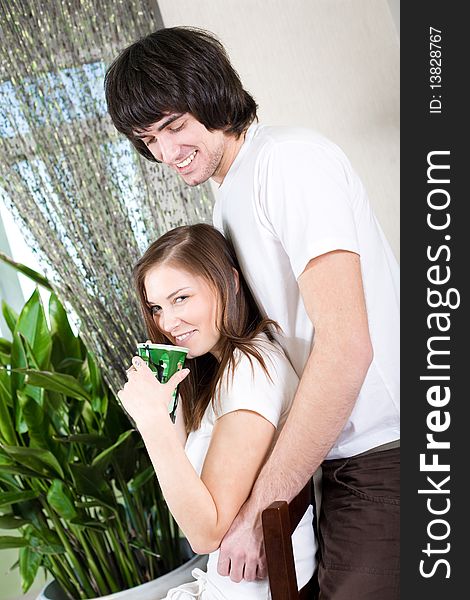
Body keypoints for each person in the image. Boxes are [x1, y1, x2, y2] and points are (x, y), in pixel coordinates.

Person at [106, 26, 400, 599]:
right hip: (332, 459)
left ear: (213, 95)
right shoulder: (228, 198)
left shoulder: (287, 162)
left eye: (174, 126)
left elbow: (346, 346)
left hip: (386, 453)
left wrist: (261, 509)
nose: (166, 153)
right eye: (149, 139)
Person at [118, 224, 316, 599]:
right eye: (157, 307)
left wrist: (151, 421)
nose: (168, 323)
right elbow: (185, 483)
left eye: (181, 298)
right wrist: (163, 403)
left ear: (230, 281)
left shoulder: (251, 371)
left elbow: (204, 533)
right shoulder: (225, 369)